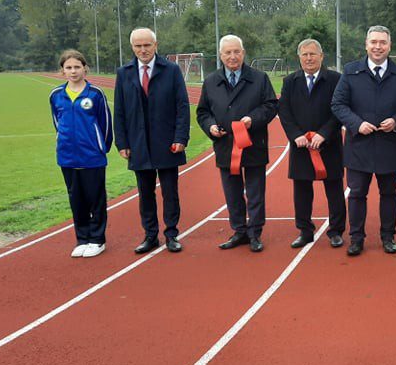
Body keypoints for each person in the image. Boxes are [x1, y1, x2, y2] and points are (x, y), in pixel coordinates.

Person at [331, 25, 396, 257]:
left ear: (389, 45)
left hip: (388, 144)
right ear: (366, 44)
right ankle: (356, 238)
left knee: (389, 193)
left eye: (382, 42)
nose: (378, 47)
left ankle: (388, 237)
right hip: (359, 145)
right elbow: (338, 104)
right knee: (356, 194)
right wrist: (356, 124)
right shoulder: (350, 71)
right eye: (373, 42)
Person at [196, 35, 278, 253]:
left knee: (255, 192)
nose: (232, 56)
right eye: (228, 53)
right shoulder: (211, 81)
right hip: (225, 145)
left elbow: (271, 106)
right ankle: (239, 230)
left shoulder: (260, 78)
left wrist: (253, 119)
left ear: (243, 53)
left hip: (253, 143)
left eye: (236, 52)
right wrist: (211, 126)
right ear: (221, 55)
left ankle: (255, 233)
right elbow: (203, 112)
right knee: (231, 192)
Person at [114, 28, 190, 254]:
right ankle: (150, 235)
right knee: (144, 193)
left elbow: (182, 107)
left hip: (167, 142)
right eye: (138, 46)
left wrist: (180, 137)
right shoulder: (124, 73)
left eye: (147, 45)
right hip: (138, 143)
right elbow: (119, 110)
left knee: (170, 192)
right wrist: (122, 143)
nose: (143, 50)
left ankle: (172, 234)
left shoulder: (172, 70)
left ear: (155, 45)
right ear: (132, 48)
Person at [277, 39, 346, 249]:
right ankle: (305, 231)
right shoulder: (290, 81)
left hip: (329, 144)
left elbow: (340, 109)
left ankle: (336, 231)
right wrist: (295, 135)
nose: (309, 58)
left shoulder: (335, 79)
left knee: (334, 189)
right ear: (299, 57)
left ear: (321, 56)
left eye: (313, 54)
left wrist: (324, 133)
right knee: (302, 191)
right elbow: (284, 111)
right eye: (305, 55)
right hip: (300, 146)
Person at [50, 50, 113, 258]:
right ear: (62, 71)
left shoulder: (95, 93)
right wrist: (64, 143)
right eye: (68, 67)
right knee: (76, 199)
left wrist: (100, 147)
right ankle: (82, 238)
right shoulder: (56, 95)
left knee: (95, 198)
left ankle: (97, 239)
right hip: (67, 157)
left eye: (77, 67)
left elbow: (105, 125)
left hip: (92, 157)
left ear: (85, 68)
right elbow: (57, 124)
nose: (73, 71)